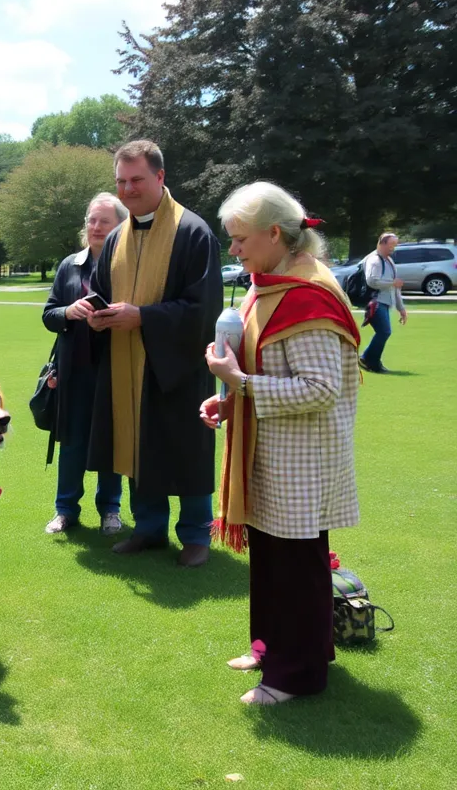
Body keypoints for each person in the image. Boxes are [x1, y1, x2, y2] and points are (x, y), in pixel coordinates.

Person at [202, 181, 360, 705]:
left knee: (296, 569)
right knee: (272, 560)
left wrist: (240, 384)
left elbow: (320, 389)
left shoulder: (308, 294)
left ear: (275, 234)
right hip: (270, 450)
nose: (234, 250)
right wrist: (229, 399)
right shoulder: (268, 284)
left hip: (301, 459)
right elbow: (263, 365)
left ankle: (297, 675)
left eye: (240, 238)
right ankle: (272, 648)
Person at [86, 140, 223, 567]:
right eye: (121, 182)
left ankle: (196, 534)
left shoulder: (193, 232)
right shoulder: (116, 238)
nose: (128, 190)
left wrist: (143, 317)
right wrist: (98, 314)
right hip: (127, 363)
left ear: (160, 177)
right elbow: (101, 291)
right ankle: (148, 528)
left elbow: (203, 309)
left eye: (137, 180)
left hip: (176, 365)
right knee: (136, 445)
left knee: (185, 448)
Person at [43, 193, 127, 536]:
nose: (95, 227)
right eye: (91, 220)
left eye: (103, 221)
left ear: (120, 226)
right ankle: (66, 510)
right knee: (73, 442)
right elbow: (49, 314)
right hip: (74, 371)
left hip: (115, 368)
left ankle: (110, 510)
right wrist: (69, 311)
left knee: (111, 442)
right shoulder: (69, 265)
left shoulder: (127, 265)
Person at [358, 232, 408, 373]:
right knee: (384, 331)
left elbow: (395, 287)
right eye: (391, 244)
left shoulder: (389, 261)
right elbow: (372, 281)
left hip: (385, 302)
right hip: (375, 302)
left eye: (395, 245)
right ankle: (368, 359)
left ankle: (371, 361)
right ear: (382, 243)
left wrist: (401, 308)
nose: (394, 248)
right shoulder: (375, 260)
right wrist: (392, 283)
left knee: (384, 332)